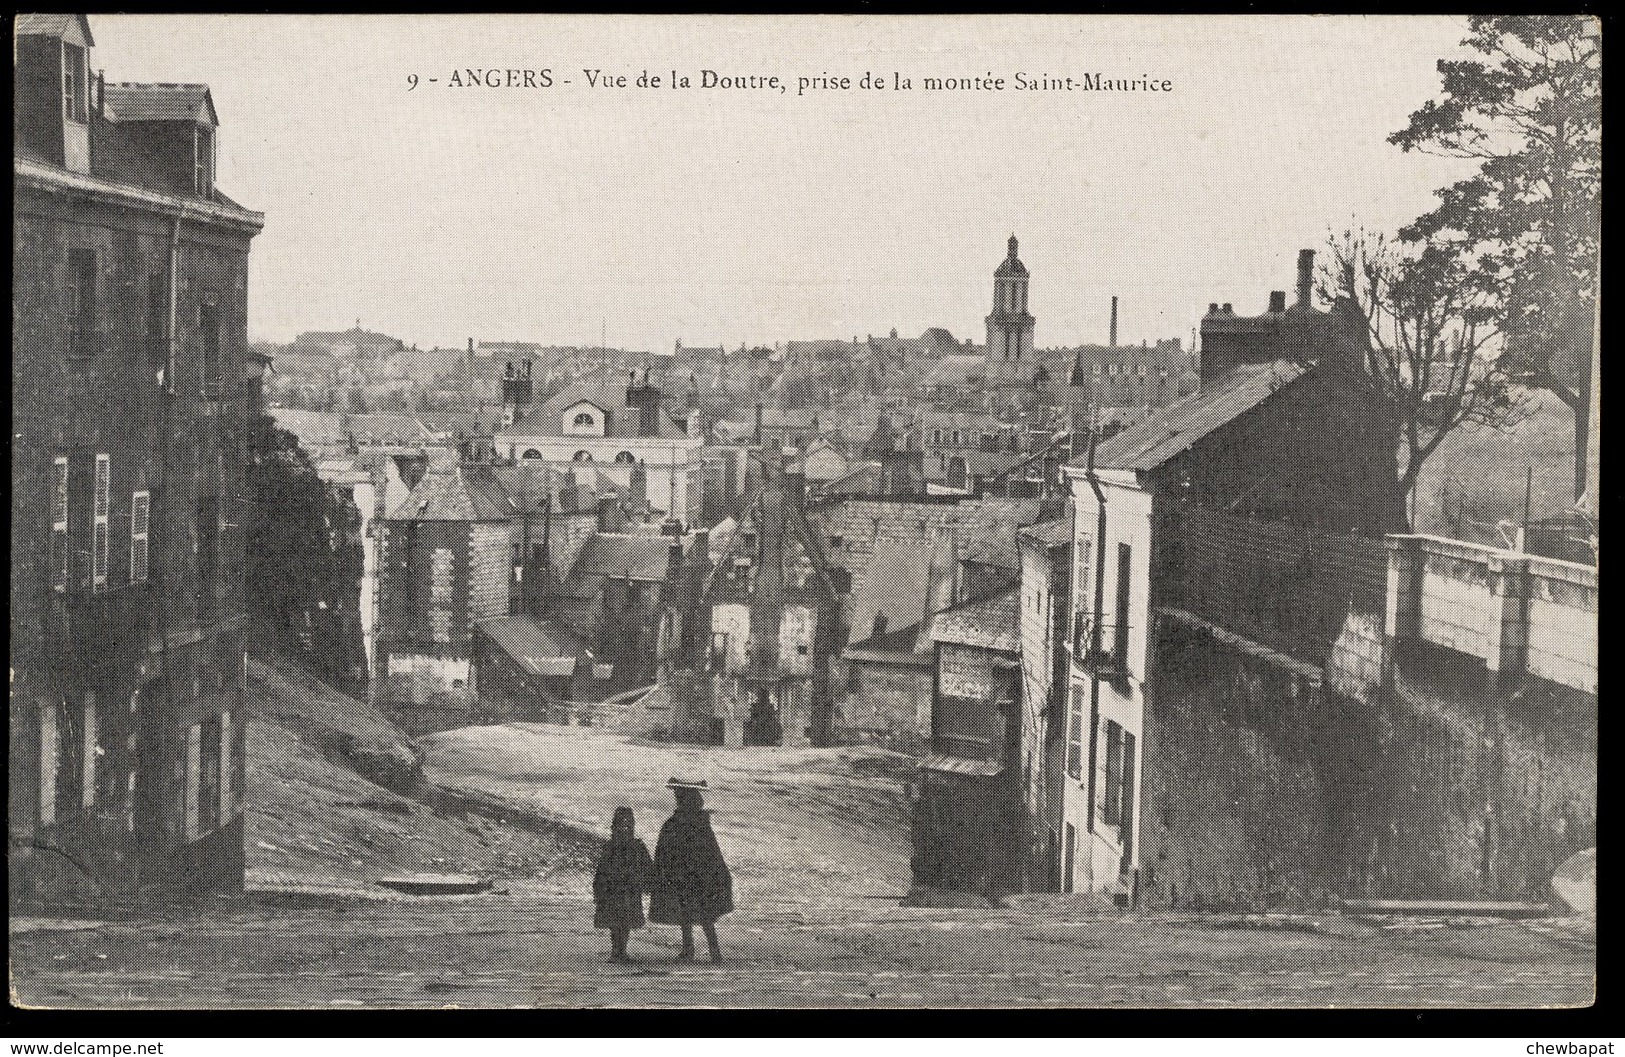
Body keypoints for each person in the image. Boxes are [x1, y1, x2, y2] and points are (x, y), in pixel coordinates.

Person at [648, 778, 734, 962]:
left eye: (679, 797)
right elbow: (713, 853)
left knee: (689, 915)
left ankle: (692, 950)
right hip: (698, 877)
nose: (678, 800)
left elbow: (665, 852)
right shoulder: (700, 824)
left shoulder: (677, 824)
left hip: (686, 877)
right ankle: (712, 951)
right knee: (702, 916)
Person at [592, 806, 653, 963]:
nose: (624, 828)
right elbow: (602, 870)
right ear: (615, 826)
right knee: (615, 922)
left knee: (624, 922)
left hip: (629, 890)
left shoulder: (636, 846)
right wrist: (599, 889)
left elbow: (648, 867)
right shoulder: (611, 846)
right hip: (614, 890)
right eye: (621, 825)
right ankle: (616, 951)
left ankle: (621, 951)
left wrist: (649, 882)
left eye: (627, 825)